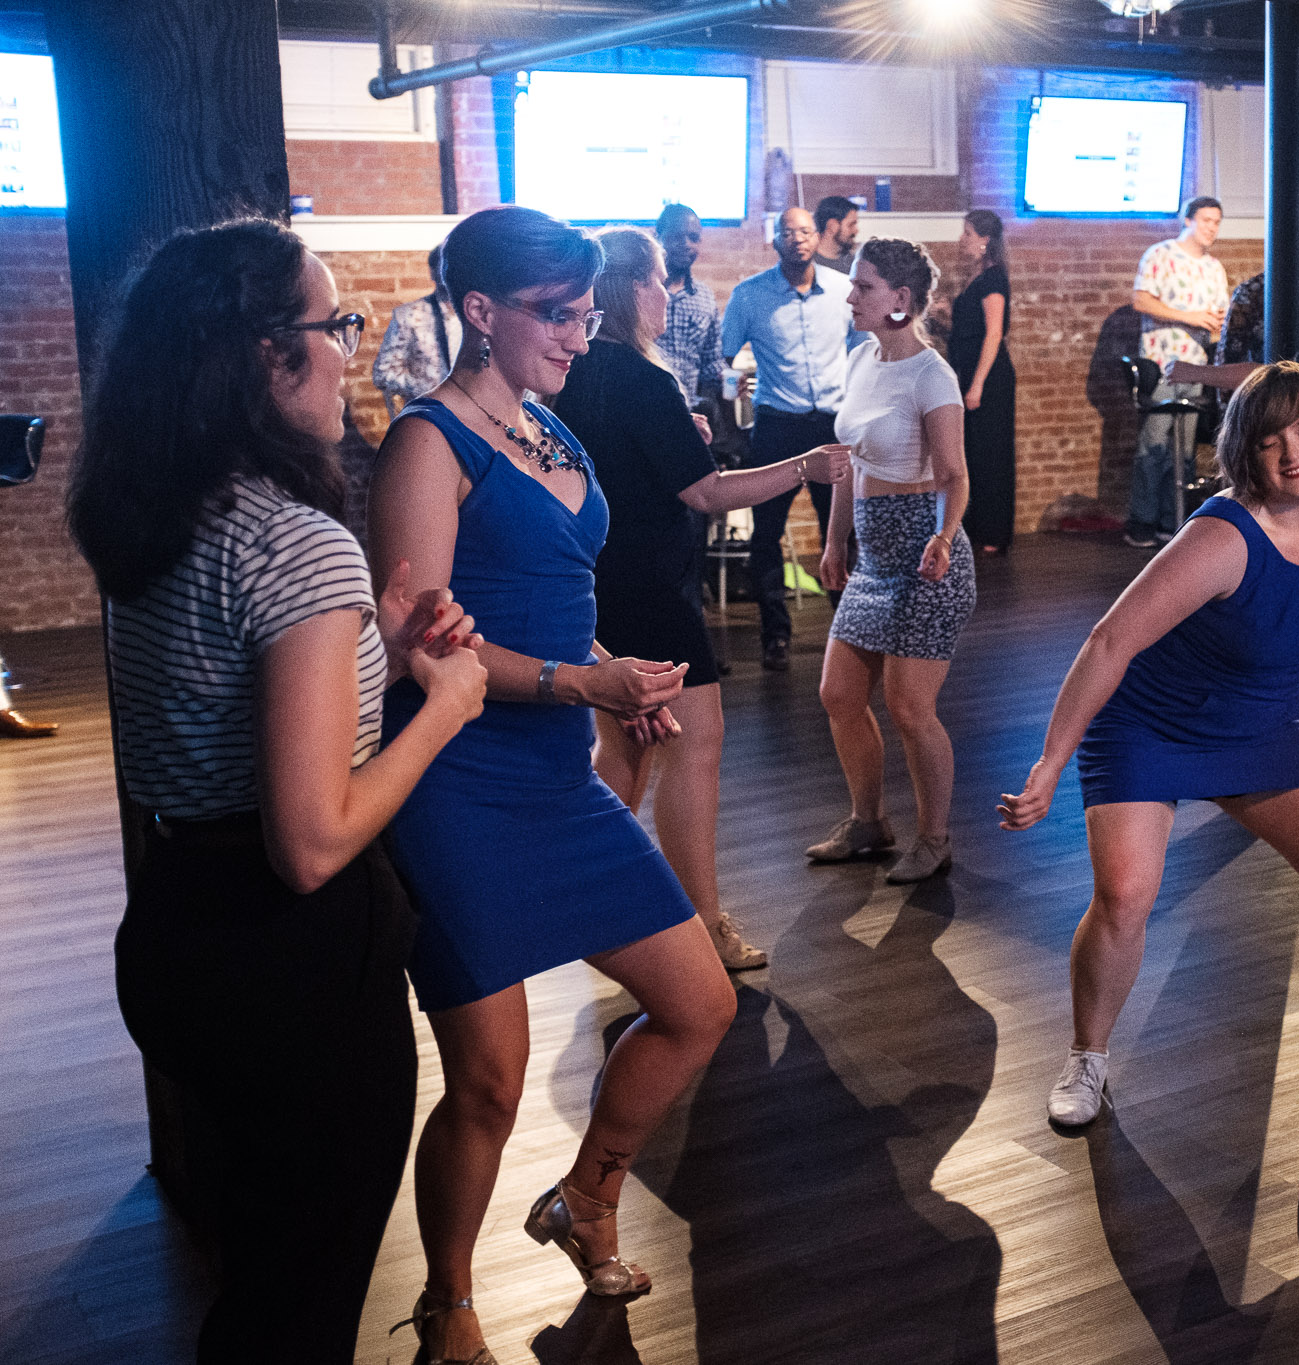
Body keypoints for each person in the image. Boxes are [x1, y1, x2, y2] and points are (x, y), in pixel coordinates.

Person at [66, 217, 488, 1360]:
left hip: (178, 929)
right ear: (265, 353)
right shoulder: (296, 542)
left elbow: (217, 702)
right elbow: (310, 839)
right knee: (299, 1303)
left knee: (260, 1268)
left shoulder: (157, 515)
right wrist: (442, 706)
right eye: (333, 324)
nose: (350, 348)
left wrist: (376, 649)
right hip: (287, 957)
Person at [371, 205, 738, 1364]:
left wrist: (620, 685)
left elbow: (563, 586)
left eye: (587, 312)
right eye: (558, 314)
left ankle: (584, 1198)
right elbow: (421, 650)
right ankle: (447, 1303)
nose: (581, 334)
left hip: (558, 777)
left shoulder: (552, 431)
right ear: (480, 311)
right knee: (488, 1079)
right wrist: (585, 683)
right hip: (455, 787)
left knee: (699, 1004)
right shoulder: (428, 444)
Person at [997, 361, 1299, 1126]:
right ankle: (1087, 1056)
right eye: (1272, 440)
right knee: (1126, 896)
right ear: (1245, 450)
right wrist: (1051, 761)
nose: (1293, 452)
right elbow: (1110, 642)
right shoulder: (1219, 536)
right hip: (1149, 725)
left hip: (1258, 723)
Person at [555, 226, 853, 972]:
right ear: (630, 289)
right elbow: (708, 491)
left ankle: (598, 904)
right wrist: (806, 465)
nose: (670, 292)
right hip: (651, 587)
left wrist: (677, 435)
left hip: (595, 581)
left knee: (622, 746)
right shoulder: (645, 378)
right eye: (659, 280)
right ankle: (703, 925)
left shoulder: (575, 371)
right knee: (695, 744)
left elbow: (625, 460)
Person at [807, 238, 974, 884]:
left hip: (928, 555)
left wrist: (944, 534)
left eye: (864, 286)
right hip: (874, 553)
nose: (850, 296)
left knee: (910, 707)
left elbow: (956, 475)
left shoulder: (932, 375)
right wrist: (834, 541)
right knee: (839, 692)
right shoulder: (861, 359)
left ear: (900, 301)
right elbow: (847, 461)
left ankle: (935, 838)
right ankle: (869, 822)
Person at [721, 206, 858, 670]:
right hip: (778, 426)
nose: (797, 239)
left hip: (833, 428)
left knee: (840, 530)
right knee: (767, 535)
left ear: (817, 238)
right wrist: (730, 382)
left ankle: (848, 630)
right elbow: (721, 359)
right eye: (788, 232)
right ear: (775, 240)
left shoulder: (843, 291)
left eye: (805, 231)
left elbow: (864, 354)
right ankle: (774, 635)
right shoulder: (749, 295)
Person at [1128, 196, 1229, 548]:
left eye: (1216, 222)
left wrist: (1218, 327)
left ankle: (1175, 521)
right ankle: (1141, 519)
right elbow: (1142, 301)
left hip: (1196, 364)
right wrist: (1191, 317)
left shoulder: (1214, 267)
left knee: (1184, 449)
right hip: (1162, 363)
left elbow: (1218, 318)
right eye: (1205, 220)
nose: (1211, 228)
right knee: (1154, 441)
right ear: (1187, 220)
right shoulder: (1161, 255)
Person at [951, 209, 1016, 555]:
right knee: (975, 454)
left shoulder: (993, 280)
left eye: (967, 233)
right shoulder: (980, 278)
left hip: (989, 381)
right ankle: (979, 528)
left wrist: (976, 385)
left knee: (990, 456)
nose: (962, 239)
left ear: (984, 239)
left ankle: (994, 533)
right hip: (973, 374)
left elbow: (993, 335)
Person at [373, 241, 463, 411]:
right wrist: (426, 387)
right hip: (428, 413)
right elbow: (382, 374)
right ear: (432, 272)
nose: (451, 273)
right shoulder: (408, 315)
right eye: (444, 265)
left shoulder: (478, 315)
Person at [653, 202, 725, 406]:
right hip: (640, 411)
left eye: (693, 238)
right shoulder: (638, 292)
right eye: (676, 237)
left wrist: (727, 378)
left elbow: (711, 361)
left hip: (688, 413)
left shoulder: (704, 297)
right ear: (657, 236)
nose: (686, 244)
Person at [813, 194, 862, 274]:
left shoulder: (856, 264)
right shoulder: (809, 265)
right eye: (851, 225)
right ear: (832, 226)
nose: (856, 231)